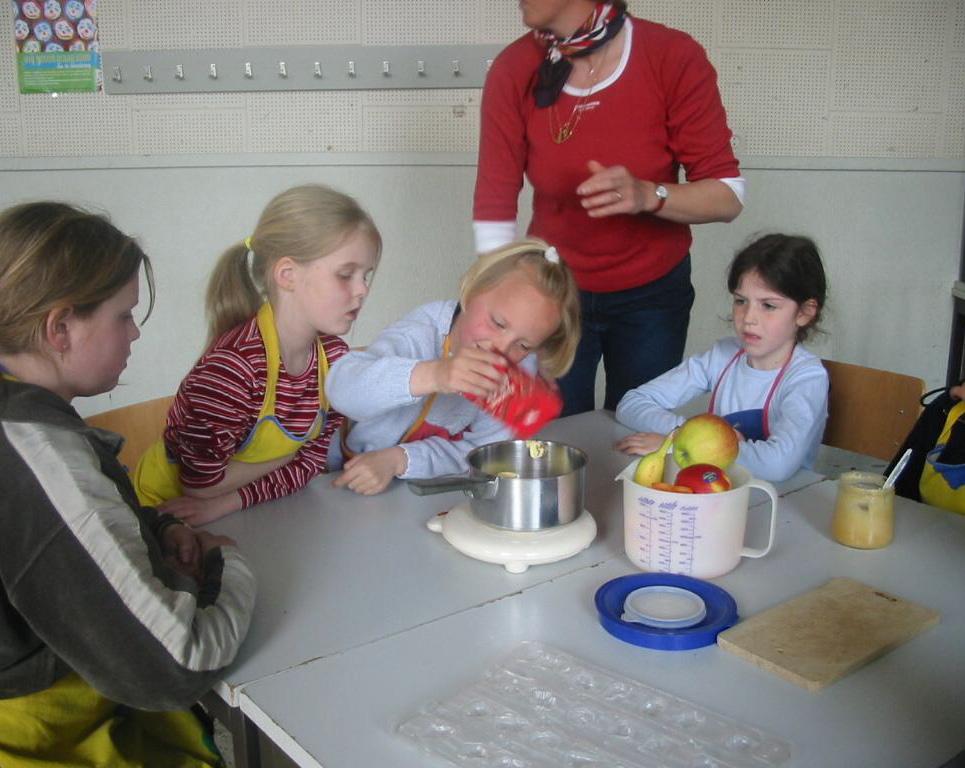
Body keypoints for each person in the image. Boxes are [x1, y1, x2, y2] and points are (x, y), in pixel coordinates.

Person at [0, 201, 255, 766]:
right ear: (59, 327)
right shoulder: (35, 451)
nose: (135, 333)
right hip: (41, 735)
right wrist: (226, 567)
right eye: (122, 315)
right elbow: (174, 665)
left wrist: (154, 527)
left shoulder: (21, 411)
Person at [473, 0, 744, 416]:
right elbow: (495, 199)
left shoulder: (671, 56)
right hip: (551, 292)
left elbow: (727, 195)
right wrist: (498, 308)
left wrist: (649, 195)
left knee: (635, 437)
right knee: (553, 436)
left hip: (652, 294)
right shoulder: (514, 67)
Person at [133, 184, 381, 525]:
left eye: (366, 275)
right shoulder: (233, 369)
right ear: (287, 275)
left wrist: (229, 502)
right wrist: (292, 455)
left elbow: (310, 466)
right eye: (345, 274)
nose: (363, 290)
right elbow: (201, 486)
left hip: (238, 515)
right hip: (160, 514)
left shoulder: (336, 360)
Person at [327, 238, 580, 495]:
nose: (502, 349)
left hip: (409, 489)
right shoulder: (419, 335)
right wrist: (436, 374)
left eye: (523, 345)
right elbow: (341, 389)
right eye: (498, 323)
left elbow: (482, 452)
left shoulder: (516, 375)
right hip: (336, 477)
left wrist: (398, 459)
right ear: (471, 292)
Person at [614, 234, 829, 483]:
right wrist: (683, 436)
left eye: (768, 306)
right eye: (741, 301)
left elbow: (776, 466)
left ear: (804, 313)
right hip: (719, 493)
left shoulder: (807, 378)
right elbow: (631, 403)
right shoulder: (723, 356)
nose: (748, 317)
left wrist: (678, 445)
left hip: (783, 501)